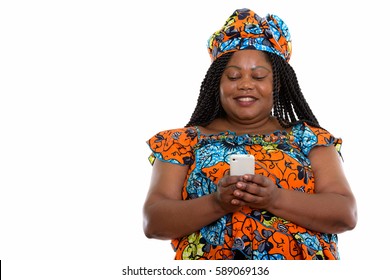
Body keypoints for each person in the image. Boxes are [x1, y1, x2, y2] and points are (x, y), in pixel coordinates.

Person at [143, 8, 357, 260]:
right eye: (233, 76)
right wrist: (218, 203)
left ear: (276, 83)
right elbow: (154, 222)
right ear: (217, 84)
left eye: (258, 76)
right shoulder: (181, 143)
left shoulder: (310, 139)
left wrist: (274, 199)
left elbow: (346, 214)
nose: (245, 83)